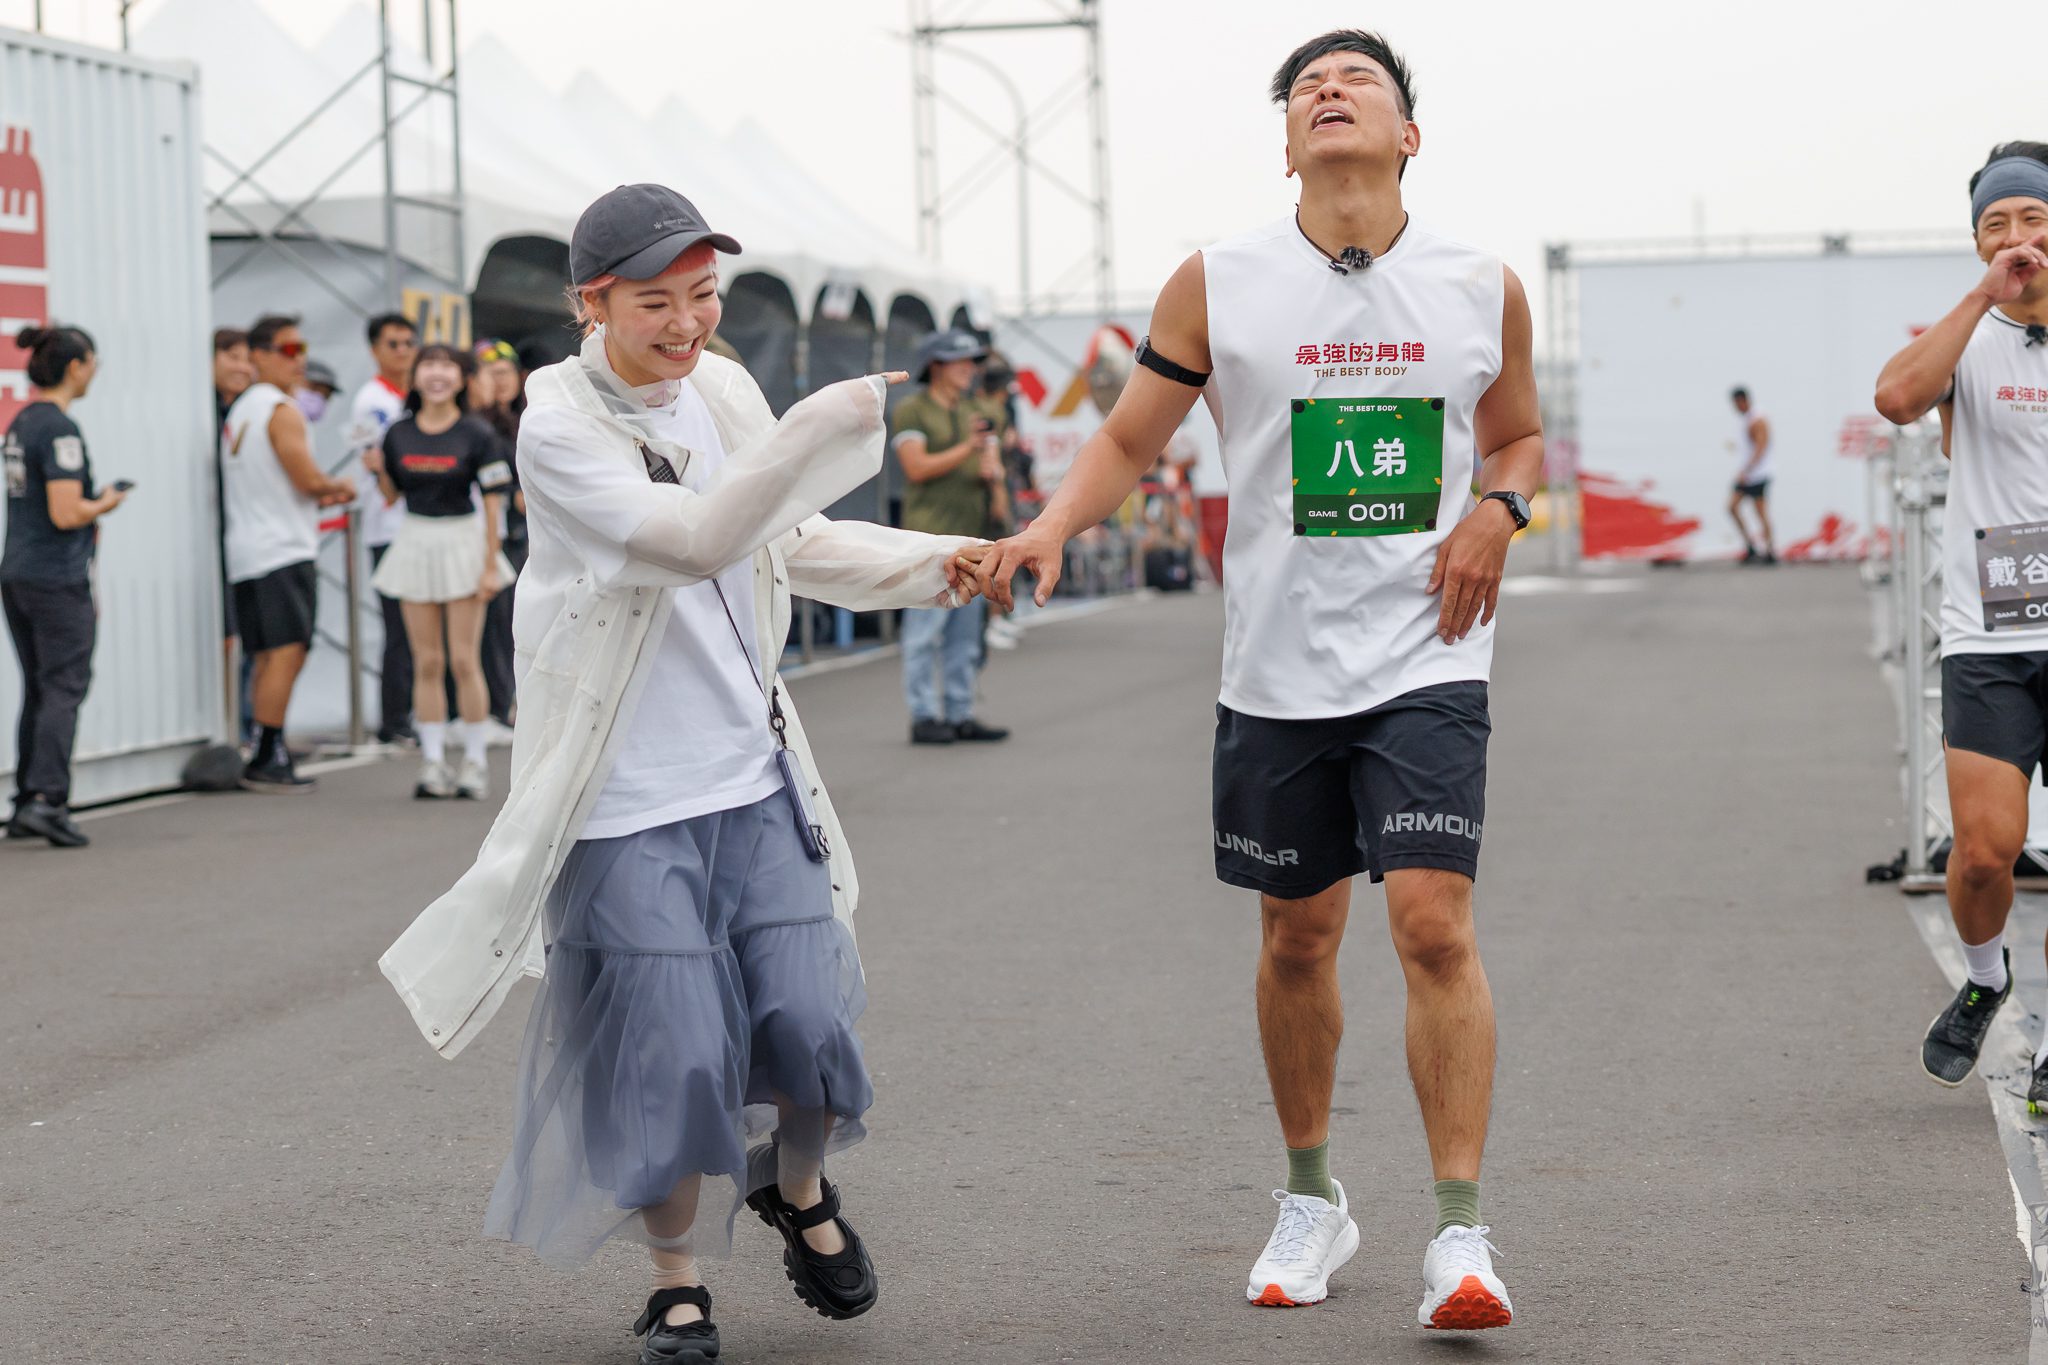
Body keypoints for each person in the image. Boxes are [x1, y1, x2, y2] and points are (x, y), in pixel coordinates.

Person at [976, 28, 1543, 1330]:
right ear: (1286, 138)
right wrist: (1051, 531)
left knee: (1434, 922)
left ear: (1411, 134)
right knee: (1298, 935)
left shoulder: (1479, 285)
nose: (1328, 93)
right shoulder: (1218, 282)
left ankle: (1461, 1236)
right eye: (1305, 88)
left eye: (1359, 83)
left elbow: (1513, 440)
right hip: (1279, 668)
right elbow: (1130, 434)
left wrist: (1496, 516)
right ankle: (1312, 1195)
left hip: (1429, 654)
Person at [377, 184, 990, 1365]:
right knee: (675, 1060)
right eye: (655, 301)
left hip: (750, 775)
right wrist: (826, 425)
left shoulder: (720, 386)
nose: (687, 323)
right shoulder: (556, 425)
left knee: (810, 1029)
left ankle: (797, 1192)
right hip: (622, 800)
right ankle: (674, 1285)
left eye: (704, 295)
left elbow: (784, 539)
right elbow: (692, 539)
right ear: (589, 303)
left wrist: (944, 563)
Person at [1874, 142, 2048, 1107]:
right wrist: (1987, 295)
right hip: (1991, 629)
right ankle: (1987, 981)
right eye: (1996, 224)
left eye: (2033, 220)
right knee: (1985, 850)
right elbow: (1897, 399)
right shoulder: (1968, 338)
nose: (2017, 238)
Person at [364, 343, 515, 801]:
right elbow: (392, 496)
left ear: (461, 377)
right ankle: (432, 762)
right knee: (426, 661)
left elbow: (493, 502)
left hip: (463, 542)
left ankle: (473, 762)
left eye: (447, 366)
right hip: (414, 540)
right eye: (428, 365)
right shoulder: (397, 434)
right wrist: (376, 471)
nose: (437, 374)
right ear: (415, 377)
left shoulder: (477, 434)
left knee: (464, 661)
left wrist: (490, 564)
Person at [2, 324, 125, 848]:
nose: (95, 370)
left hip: (19, 571)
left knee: (41, 685)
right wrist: (106, 502)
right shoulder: (59, 429)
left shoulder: (22, 422)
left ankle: (29, 797)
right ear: (76, 366)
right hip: (55, 578)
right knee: (64, 686)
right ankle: (49, 800)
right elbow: (66, 510)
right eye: (93, 361)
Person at [221, 315, 355, 793]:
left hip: (248, 548)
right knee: (286, 652)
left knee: (266, 654)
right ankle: (267, 751)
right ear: (258, 355)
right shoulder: (280, 408)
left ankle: (262, 745)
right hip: (280, 547)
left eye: (300, 350)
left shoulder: (241, 409)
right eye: (287, 350)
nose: (297, 361)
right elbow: (308, 480)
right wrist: (338, 486)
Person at [892, 328, 1011, 745]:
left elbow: (989, 464)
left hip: (972, 539)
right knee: (924, 632)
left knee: (964, 633)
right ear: (935, 365)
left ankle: (961, 712)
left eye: (972, 362)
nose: (969, 369)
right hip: (926, 539)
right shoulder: (912, 411)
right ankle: (924, 715)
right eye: (959, 361)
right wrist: (969, 448)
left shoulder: (973, 410)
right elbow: (916, 467)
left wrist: (994, 483)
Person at [346, 313, 420, 745]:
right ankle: (394, 720)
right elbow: (370, 460)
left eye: (408, 343)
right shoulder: (369, 400)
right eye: (393, 344)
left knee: (420, 629)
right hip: (387, 525)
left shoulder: (411, 395)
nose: (403, 351)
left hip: (416, 523)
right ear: (375, 350)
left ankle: (413, 713)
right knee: (400, 629)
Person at [471, 338, 525, 730]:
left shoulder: (529, 416)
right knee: (495, 624)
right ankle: (494, 706)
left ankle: (508, 702)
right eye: (492, 374)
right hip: (492, 533)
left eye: (506, 373)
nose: (500, 382)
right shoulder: (478, 426)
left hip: (526, 534)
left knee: (519, 621)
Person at [1727, 386, 1775, 564]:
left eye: (1736, 403)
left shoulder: (1757, 419)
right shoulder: (1747, 418)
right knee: (1732, 507)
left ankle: (1770, 551)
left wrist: (1746, 470)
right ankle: (1751, 546)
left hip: (1757, 475)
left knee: (1760, 513)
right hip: (1749, 474)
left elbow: (1761, 447)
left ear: (1743, 400)